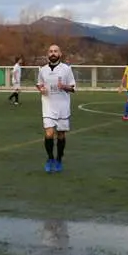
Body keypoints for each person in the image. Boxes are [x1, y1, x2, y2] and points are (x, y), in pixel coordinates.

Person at [37, 44, 76, 172]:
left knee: (61, 135)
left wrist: (64, 86)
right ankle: (50, 158)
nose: (53, 53)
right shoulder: (42, 70)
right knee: (49, 133)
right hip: (48, 105)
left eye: (55, 51)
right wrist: (41, 89)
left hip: (62, 106)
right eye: (50, 51)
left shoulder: (66, 69)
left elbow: (73, 88)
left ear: (60, 54)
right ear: (48, 54)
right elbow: (39, 84)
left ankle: (59, 158)